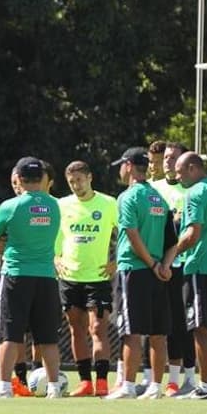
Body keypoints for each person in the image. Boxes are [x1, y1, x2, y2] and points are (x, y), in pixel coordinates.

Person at [0, 157, 63, 399]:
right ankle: (53, 388)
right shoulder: (55, 206)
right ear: (42, 178)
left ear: (18, 178)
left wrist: (5, 243)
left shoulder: (11, 206)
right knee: (48, 337)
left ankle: (5, 387)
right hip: (47, 277)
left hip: (17, 275)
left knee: (10, 333)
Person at [161, 152, 207, 399]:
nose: (176, 177)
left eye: (180, 172)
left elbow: (192, 234)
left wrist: (169, 256)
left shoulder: (195, 193)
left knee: (201, 329)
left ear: (192, 168)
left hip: (199, 268)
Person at [106, 147, 173, 400]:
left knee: (130, 331)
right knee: (157, 332)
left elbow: (132, 235)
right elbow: (172, 240)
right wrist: (163, 265)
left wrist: (152, 264)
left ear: (130, 166)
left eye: (122, 165)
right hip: (156, 273)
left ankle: (129, 386)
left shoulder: (128, 197)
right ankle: (156, 386)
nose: (120, 170)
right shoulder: (158, 198)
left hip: (134, 270)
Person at [55, 161, 118, 397]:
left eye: (79, 180)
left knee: (98, 328)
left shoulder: (109, 203)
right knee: (76, 329)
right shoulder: (62, 205)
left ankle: (102, 381)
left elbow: (125, 231)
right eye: (71, 182)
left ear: (90, 178)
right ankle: (85, 382)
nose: (76, 186)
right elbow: (55, 235)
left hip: (98, 277)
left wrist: (117, 261)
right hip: (70, 277)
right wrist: (56, 257)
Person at [151, 142, 197, 396]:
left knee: (183, 323)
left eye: (173, 158)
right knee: (157, 324)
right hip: (156, 266)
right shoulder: (154, 190)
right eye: (166, 157)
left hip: (182, 266)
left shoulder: (190, 190)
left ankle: (189, 378)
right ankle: (159, 379)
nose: (167, 162)